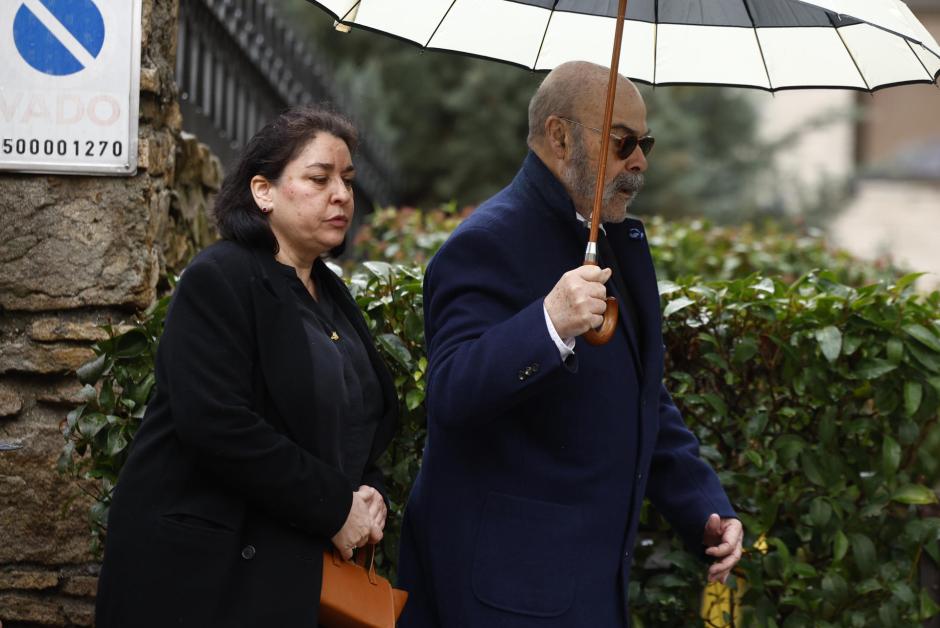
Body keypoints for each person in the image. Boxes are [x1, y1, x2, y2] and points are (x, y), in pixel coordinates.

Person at [397, 61, 743, 627]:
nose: (639, 160)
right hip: (502, 597)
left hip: (588, 593)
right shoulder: (487, 242)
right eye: (622, 140)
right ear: (560, 137)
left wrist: (701, 505)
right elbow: (451, 394)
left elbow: (641, 397)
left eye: (645, 142)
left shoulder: (610, 241)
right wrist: (549, 324)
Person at [95, 106, 399, 627]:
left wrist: (367, 493)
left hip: (290, 574)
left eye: (347, 181)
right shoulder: (221, 276)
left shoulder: (331, 291)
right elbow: (215, 424)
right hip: (205, 580)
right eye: (319, 178)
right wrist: (334, 507)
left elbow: (349, 415)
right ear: (263, 191)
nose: (342, 195)